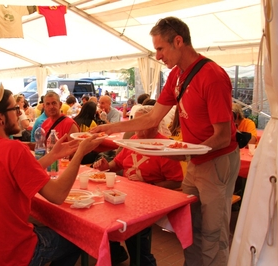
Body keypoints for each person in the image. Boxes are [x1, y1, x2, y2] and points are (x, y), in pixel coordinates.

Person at [91, 16, 239, 266]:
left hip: (216, 161)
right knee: (191, 228)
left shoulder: (211, 75)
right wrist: (108, 128)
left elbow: (223, 136)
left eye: (160, 48)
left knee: (213, 232)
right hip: (197, 161)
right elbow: (152, 118)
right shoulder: (176, 76)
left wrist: (188, 153)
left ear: (178, 41)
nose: (158, 56)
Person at [0, 84, 103, 265]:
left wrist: (53, 155)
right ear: (0, 118)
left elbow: (21, 171)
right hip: (12, 253)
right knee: (79, 238)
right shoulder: (13, 149)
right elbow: (57, 195)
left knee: (46, 228)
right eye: (15, 109)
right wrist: (80, 153)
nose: (19, 114)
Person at [94, 106, 183, 265]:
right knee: (101, 218)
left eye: (140, 123)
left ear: (154, 124)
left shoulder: (165, 146)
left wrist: (150, 185)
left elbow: (177, 181)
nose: (136, 128)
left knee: (137, 242)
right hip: (126, 193)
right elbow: (117, 164)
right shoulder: (133, 140)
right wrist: (105, 165)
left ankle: (143, 260)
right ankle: (115, 253)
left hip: (149, 199)